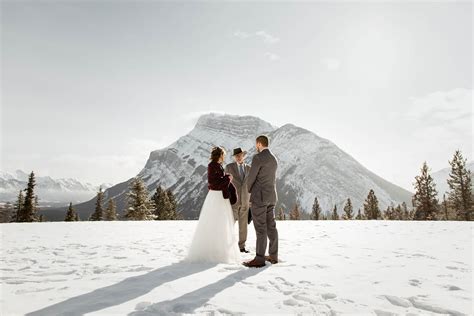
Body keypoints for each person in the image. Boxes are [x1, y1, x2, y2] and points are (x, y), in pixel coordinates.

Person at [184, 146, 241, 264]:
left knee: (220, 224)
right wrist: (228, 179)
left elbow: (217, 181)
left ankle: (219, 251)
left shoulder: (217, 166)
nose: (224, 157)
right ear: (220, 155)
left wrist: (226, 178)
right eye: (223, 155)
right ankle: (214, 252)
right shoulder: (212, 166)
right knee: (215, 223)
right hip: (216, 197)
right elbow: (213, 184)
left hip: (220, 197)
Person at [243, 135, 279, 268]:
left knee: (260, 229)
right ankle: (273, 256)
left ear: (259, 144)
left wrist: (249, 189)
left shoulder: (258, 158)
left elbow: (251, 177)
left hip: (259, 197)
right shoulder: (274, 158)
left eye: (256, 144)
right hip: (271, 197)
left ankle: (259, 259)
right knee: (271, 227)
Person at [225, 147, 251, 253]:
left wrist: (251, 199)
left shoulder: (249, 168)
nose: (239, 157)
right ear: (234, 157)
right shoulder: (229, 167)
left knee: (243, 226)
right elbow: (225, 184)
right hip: (233, 201)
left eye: (240, 155)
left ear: (243, 156)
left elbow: (251, 184)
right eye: (237, 156)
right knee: (230, 224)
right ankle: (226, 245)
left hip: (245, 201)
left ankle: (242, 246)